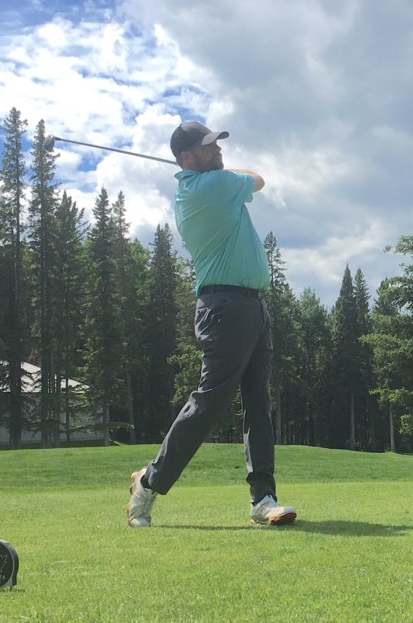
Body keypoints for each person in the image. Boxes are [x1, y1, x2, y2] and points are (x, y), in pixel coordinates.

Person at [125, 121, 296, 528]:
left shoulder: (207, 184)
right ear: (187, 159)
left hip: (253, 307)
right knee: (208, 404)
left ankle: (263, 499)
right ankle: (147, 484)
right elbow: (258, 178)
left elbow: (245, 181)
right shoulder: (210, 188)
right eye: (208, 147)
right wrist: (231, 172)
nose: (217, 150)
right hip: (225, 309)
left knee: (259, 406)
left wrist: (221, 169)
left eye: (217, 143)